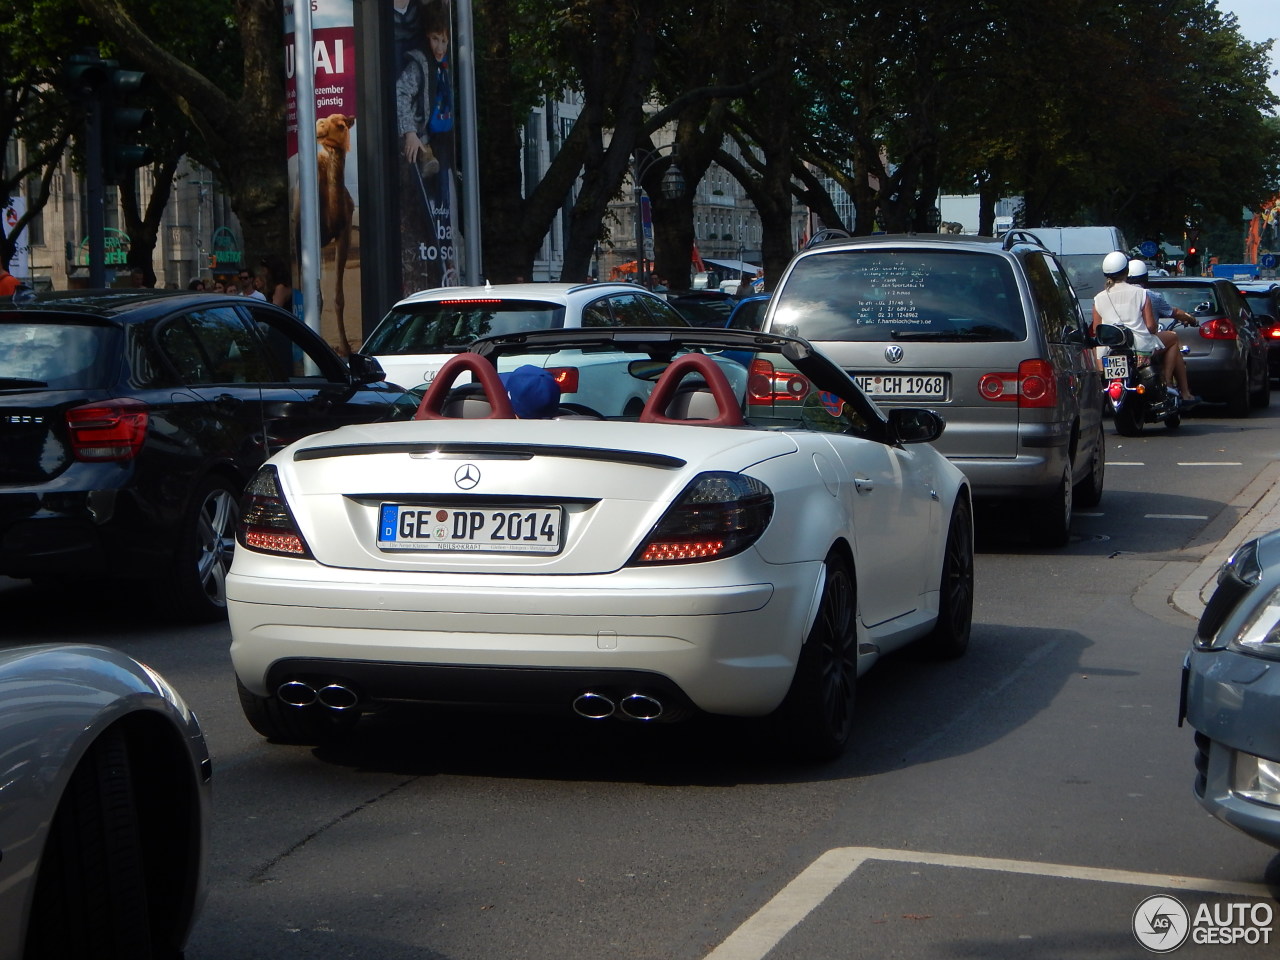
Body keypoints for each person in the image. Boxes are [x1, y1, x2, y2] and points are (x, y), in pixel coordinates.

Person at [1091, 251, 1199, 406]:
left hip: (1108, 351)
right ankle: (1168, 383)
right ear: (1126, 271)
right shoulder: (1141, 294)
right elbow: (1151, 327)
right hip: (1139, 347)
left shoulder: (1098, 298)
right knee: (1173, 338)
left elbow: (1097, 330)